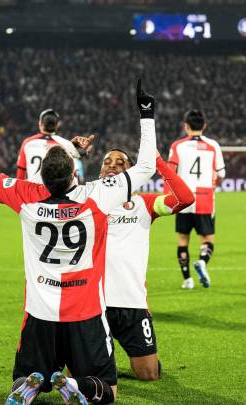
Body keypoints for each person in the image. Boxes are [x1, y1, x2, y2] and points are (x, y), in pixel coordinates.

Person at [0, 80, 156, 405]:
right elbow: (145, 167)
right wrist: (147, 114)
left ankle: (31, 384)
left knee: (26, 376)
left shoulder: (26, 197)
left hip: (40, 312)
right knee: (108, 390)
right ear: (76, 172)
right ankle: (77, 386)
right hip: (85, 312)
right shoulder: (97, 196)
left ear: (40, 174)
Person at [70, 139, 194, 381]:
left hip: (132, 303)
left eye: (120, 162)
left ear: (131, 171)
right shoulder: (86, 201)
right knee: (78, 374)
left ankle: (109, 358)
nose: (112, 166)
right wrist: (72, 153)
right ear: (100, 171)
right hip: (95, 302)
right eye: (107, 162)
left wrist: (157, 161)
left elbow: (184, 198)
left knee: (149, 374)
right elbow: (56, 186)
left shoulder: (145, 204)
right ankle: (99, 358)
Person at [167, 110, 225, 289]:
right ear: (204, 126)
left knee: (183, 240)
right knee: (207, 239)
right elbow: (221, 173)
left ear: (186, 126)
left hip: (184, 199)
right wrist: (215, 183)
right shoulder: (213, 145)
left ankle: (187, 280)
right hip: (205, 197)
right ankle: (202, 262)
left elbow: (170, 172)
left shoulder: (177, 146)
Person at [16, 108, 86, 184]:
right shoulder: (65, 144)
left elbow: (21, 173)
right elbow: (74, 175)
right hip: (55, 192)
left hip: (32, 191)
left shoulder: (27, 143)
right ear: (57, 125)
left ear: (40, 124)